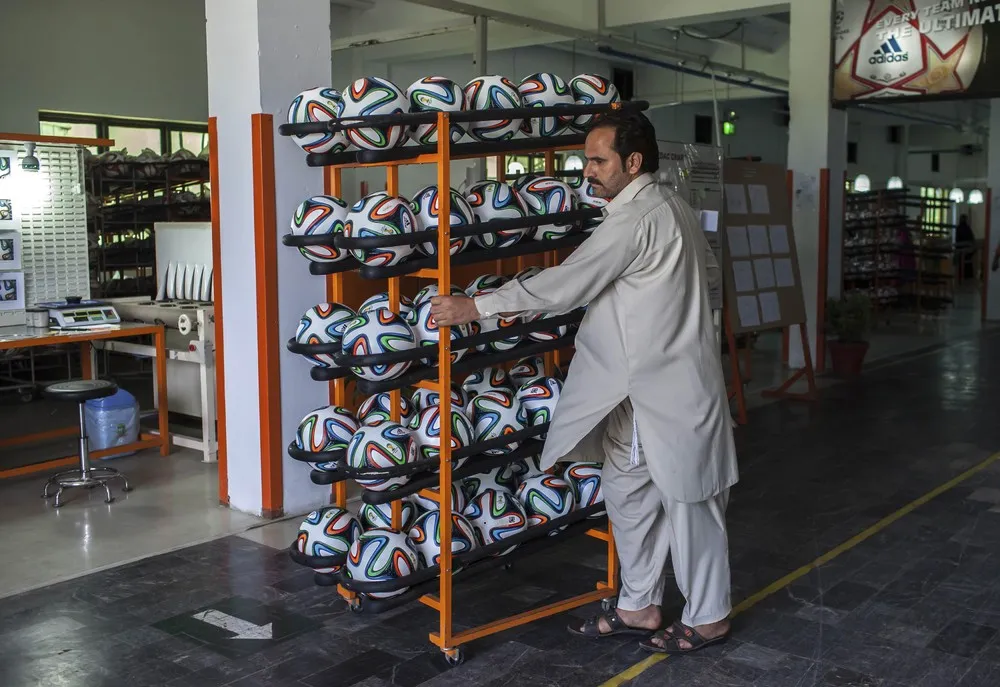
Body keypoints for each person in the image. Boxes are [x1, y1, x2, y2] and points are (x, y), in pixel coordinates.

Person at [430, 110, 739, 656]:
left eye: (598, 161)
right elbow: (710, 278)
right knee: (628, 492)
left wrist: (475, 306)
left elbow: (566, 284)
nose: (586, 171)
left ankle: (709, 617)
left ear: (634, 162)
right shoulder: (675, 208)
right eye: (585, 160)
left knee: (690, 500)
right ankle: (639, 605)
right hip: (643, 386)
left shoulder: (637, 217)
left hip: (660, 387)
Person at [955, 214, 976, 281]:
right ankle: (968, 275)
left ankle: (961, 275)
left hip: (961, 250)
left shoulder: (959, 228)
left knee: (960, 260)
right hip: (969, 251)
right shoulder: (968, 228)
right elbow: (972, 239)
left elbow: (957, 240)